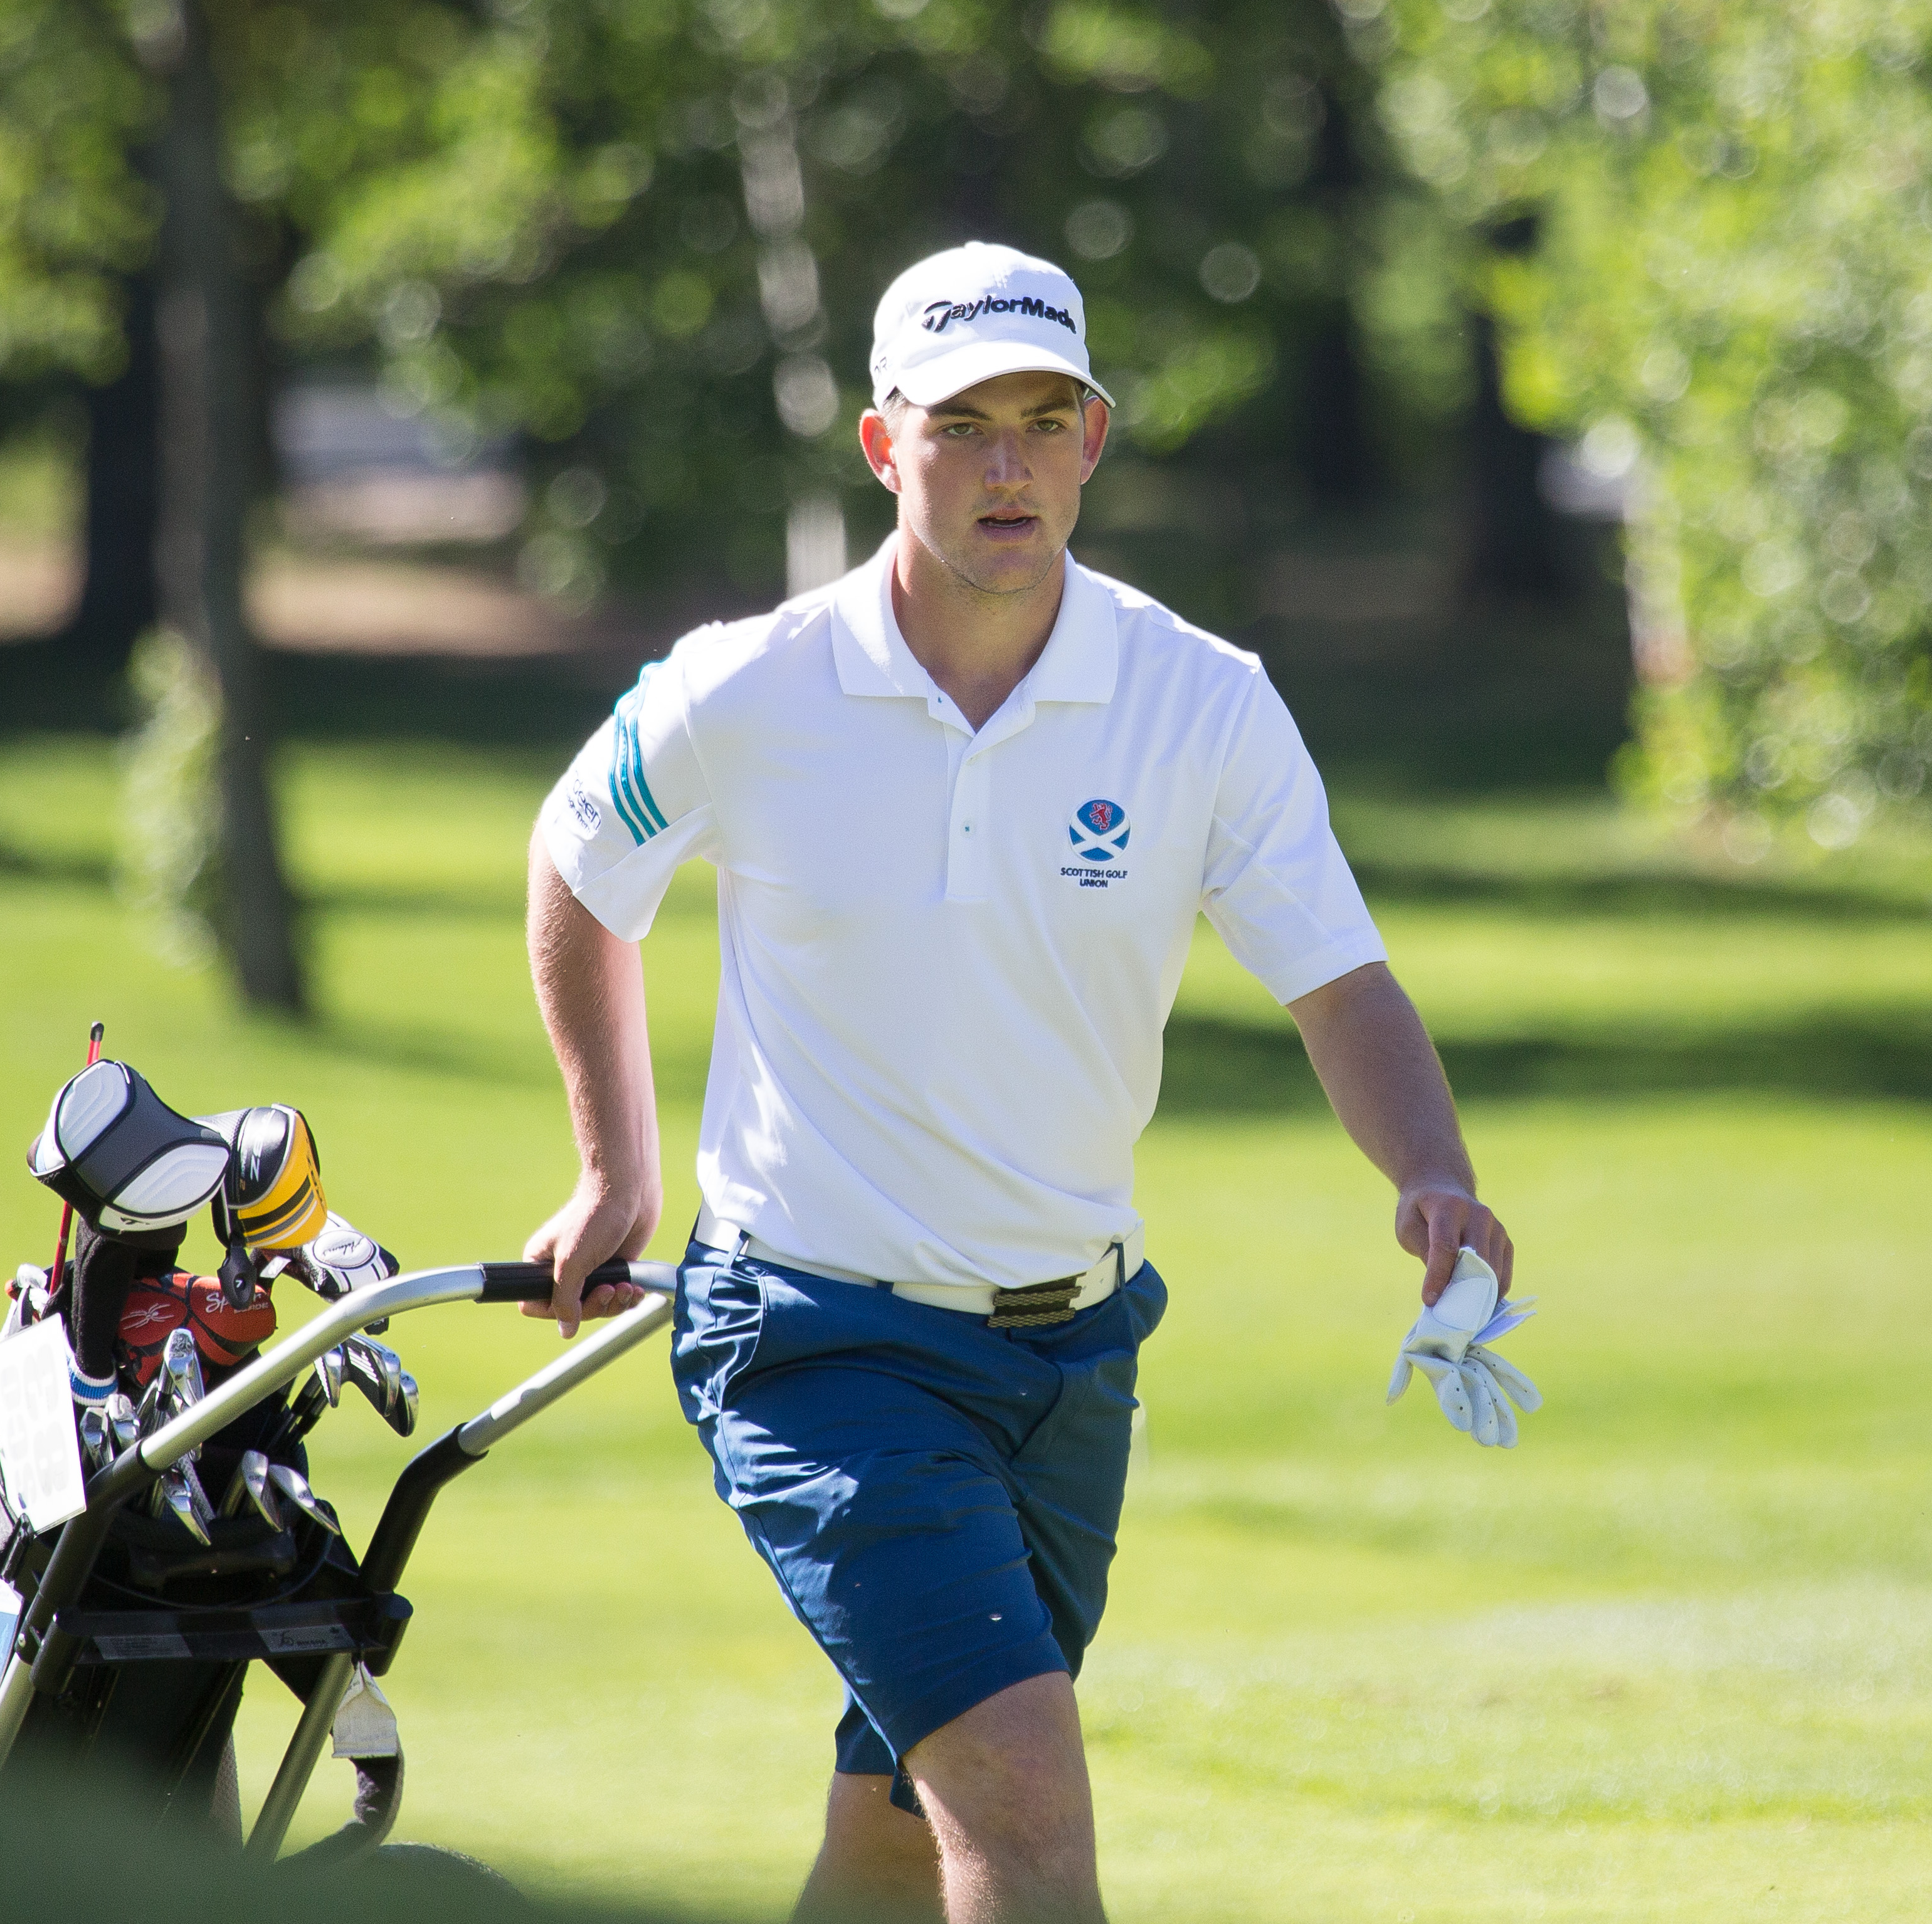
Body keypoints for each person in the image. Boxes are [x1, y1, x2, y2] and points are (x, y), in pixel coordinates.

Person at [519, 241, 1516, 1924]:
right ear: (880, 445)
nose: (1006, 466)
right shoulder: (743, 686)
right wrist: (615, 1166)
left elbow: (1336, 974)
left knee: (901, 1838)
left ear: (1093, 442)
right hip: (819, 1343)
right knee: (1023, 1812)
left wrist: (1431, 1168)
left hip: (1073, 1360)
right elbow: (575, 866)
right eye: (961, 424)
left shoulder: (1202, 702)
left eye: (1043, 423)